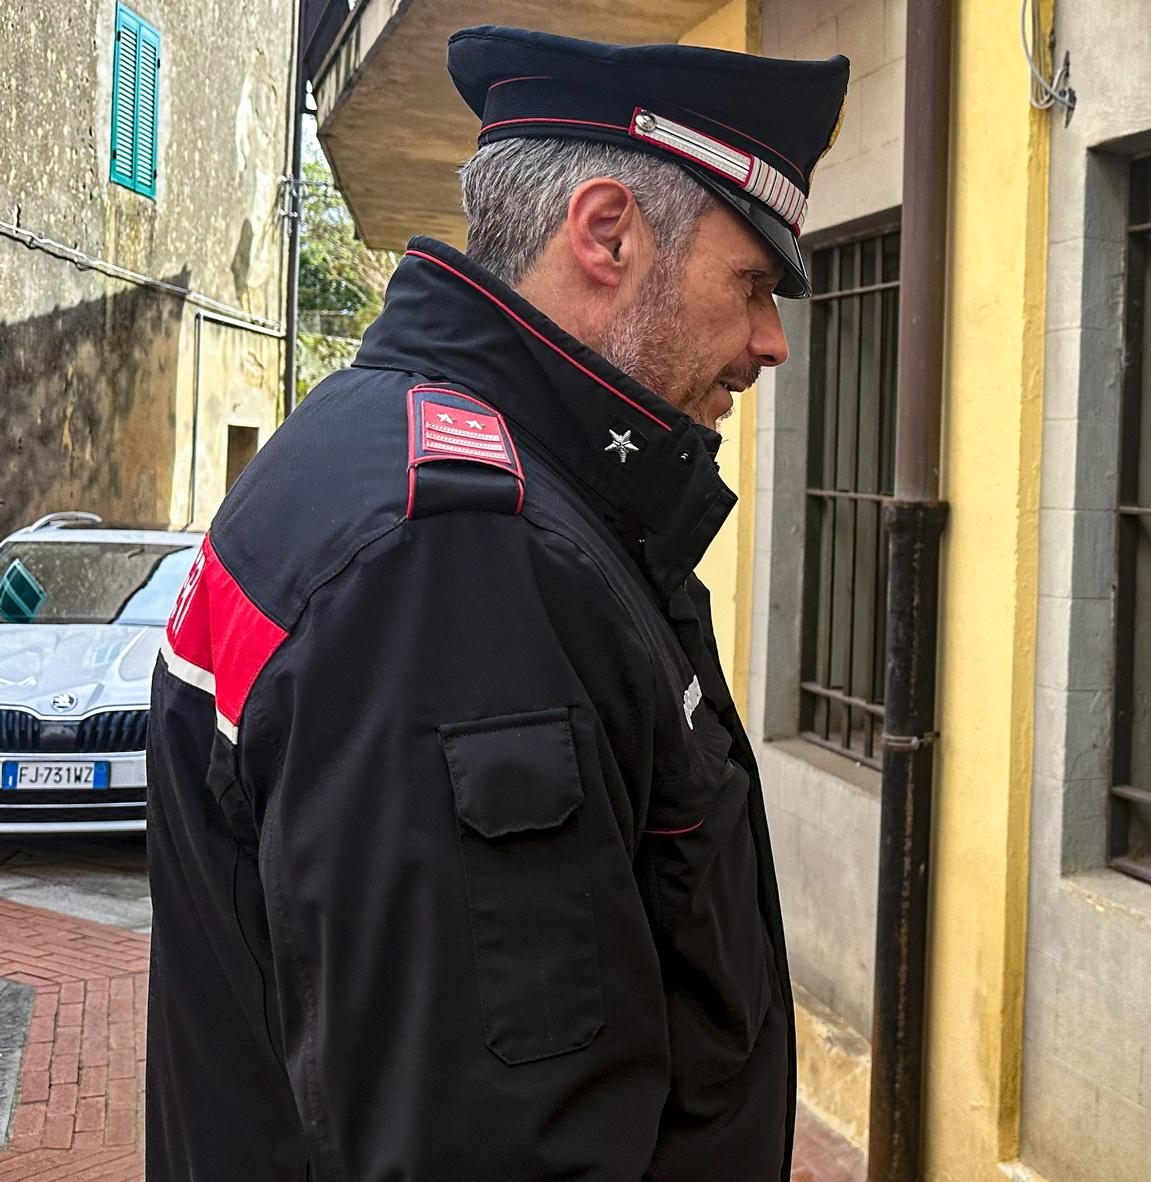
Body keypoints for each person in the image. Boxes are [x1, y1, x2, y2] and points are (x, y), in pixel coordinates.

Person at [145, 27, 848, 1180]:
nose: (769, 341)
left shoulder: (389, 449)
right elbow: (485, 1141)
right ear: (608, 233)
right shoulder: (454, 555)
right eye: (754, 283)